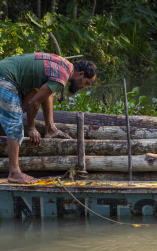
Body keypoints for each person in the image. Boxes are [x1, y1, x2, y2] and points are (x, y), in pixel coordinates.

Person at [0, 52, 97, 184]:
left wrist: (50, 127)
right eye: (86, 82)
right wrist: (32, 128)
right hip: (4, 78)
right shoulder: (62, 75)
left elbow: (45, 93)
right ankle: (14, 172)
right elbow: (35, 102)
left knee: (15, 116)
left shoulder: (62, 64)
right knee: (16, 127)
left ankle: (50, 129)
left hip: (7, 75)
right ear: (80, 74)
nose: (84, 87)